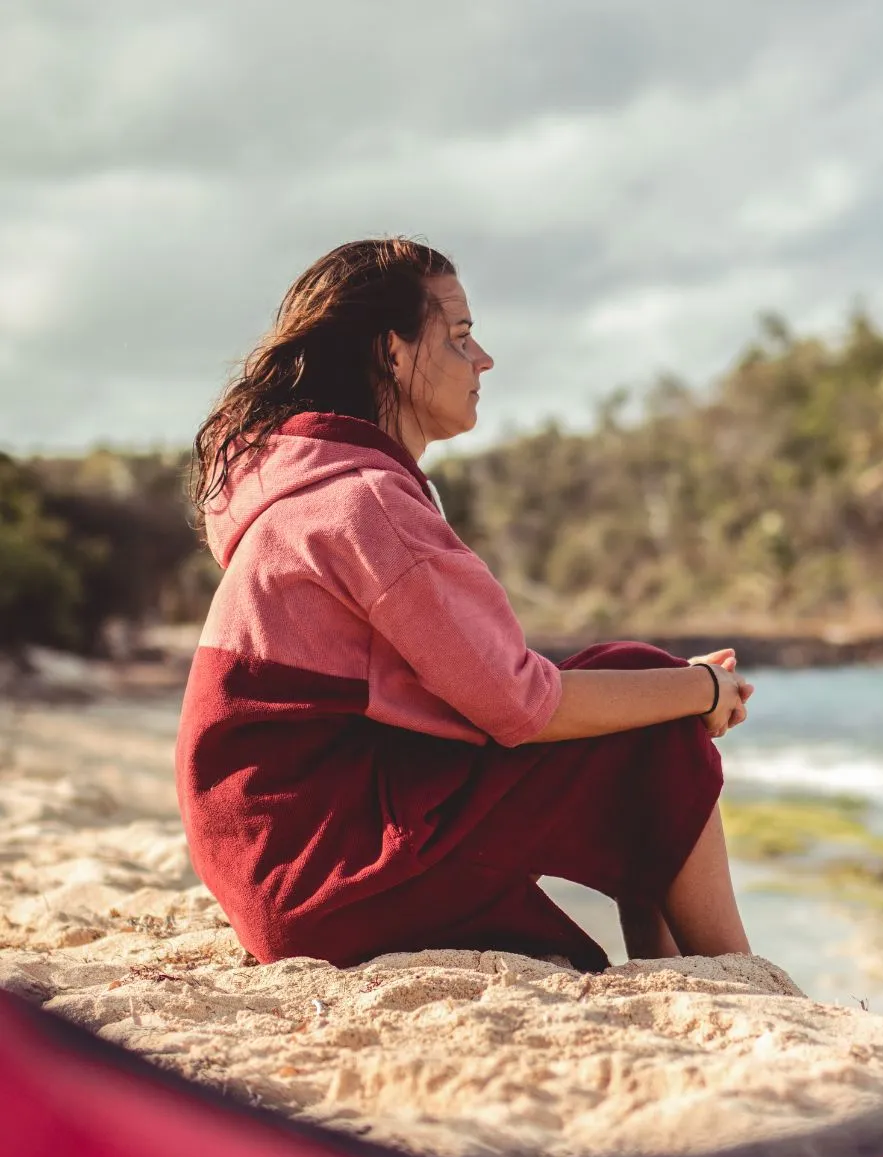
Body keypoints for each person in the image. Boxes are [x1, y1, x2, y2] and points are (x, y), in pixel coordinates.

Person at [176, 237, 755, 972]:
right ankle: (736, 971)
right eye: (458, 336)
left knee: (634, 681)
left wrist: (672, 690)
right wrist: (702, 688)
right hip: (331, 881)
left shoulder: (318, 487)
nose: (483, 359)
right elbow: (520, 706)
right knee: (656, 709)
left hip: (288, 871)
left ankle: (680, 966)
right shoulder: (365, 504)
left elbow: (484, 698)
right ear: (393, 352)